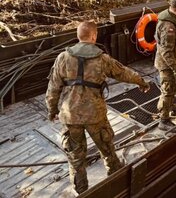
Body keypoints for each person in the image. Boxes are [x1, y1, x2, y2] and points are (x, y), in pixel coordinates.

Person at [46, 21, 150, 195]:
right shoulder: (102, 59)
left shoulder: (63, 58)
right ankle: (116, 181)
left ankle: (82, 192)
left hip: (70, 116)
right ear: (93, 36)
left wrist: (52, 111)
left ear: (78, 36)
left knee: (76, 160)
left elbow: (53, 88)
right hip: (96, 115)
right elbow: (123, 72)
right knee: (108, 150)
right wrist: (142, 82)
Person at [155, 0, 176, 132]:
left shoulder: (170, 17)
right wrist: (175, 69)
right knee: (167, 90)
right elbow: (166, 52)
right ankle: (164, 119)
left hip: (174, 61)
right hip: (168, 64)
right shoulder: (169, 27)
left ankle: (170, 105)